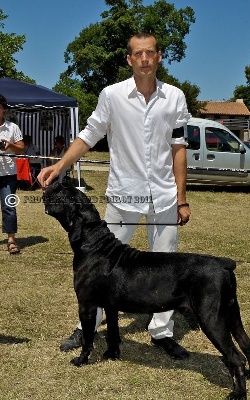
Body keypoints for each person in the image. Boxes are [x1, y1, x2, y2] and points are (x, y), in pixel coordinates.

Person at [38, 32, 191, 359]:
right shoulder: (112, 95)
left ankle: (161, 330)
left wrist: (182, 198)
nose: (145, 59)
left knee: (164, 267)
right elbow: (88, 135)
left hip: (163, 198)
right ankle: (86, 326)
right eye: (139, 54)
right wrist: (60, 168)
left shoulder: (176, 98)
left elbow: (179, 149)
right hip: (124, 197)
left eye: (151, 52)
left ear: (159, 56)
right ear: (129, 59)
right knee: (97, 265)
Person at [0, 94, 25, 254]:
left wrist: (10, 145)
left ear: (3, 109)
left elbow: (21, 148)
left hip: (8, 174)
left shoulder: (12, 127)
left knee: (9, 206)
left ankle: (11, 241)